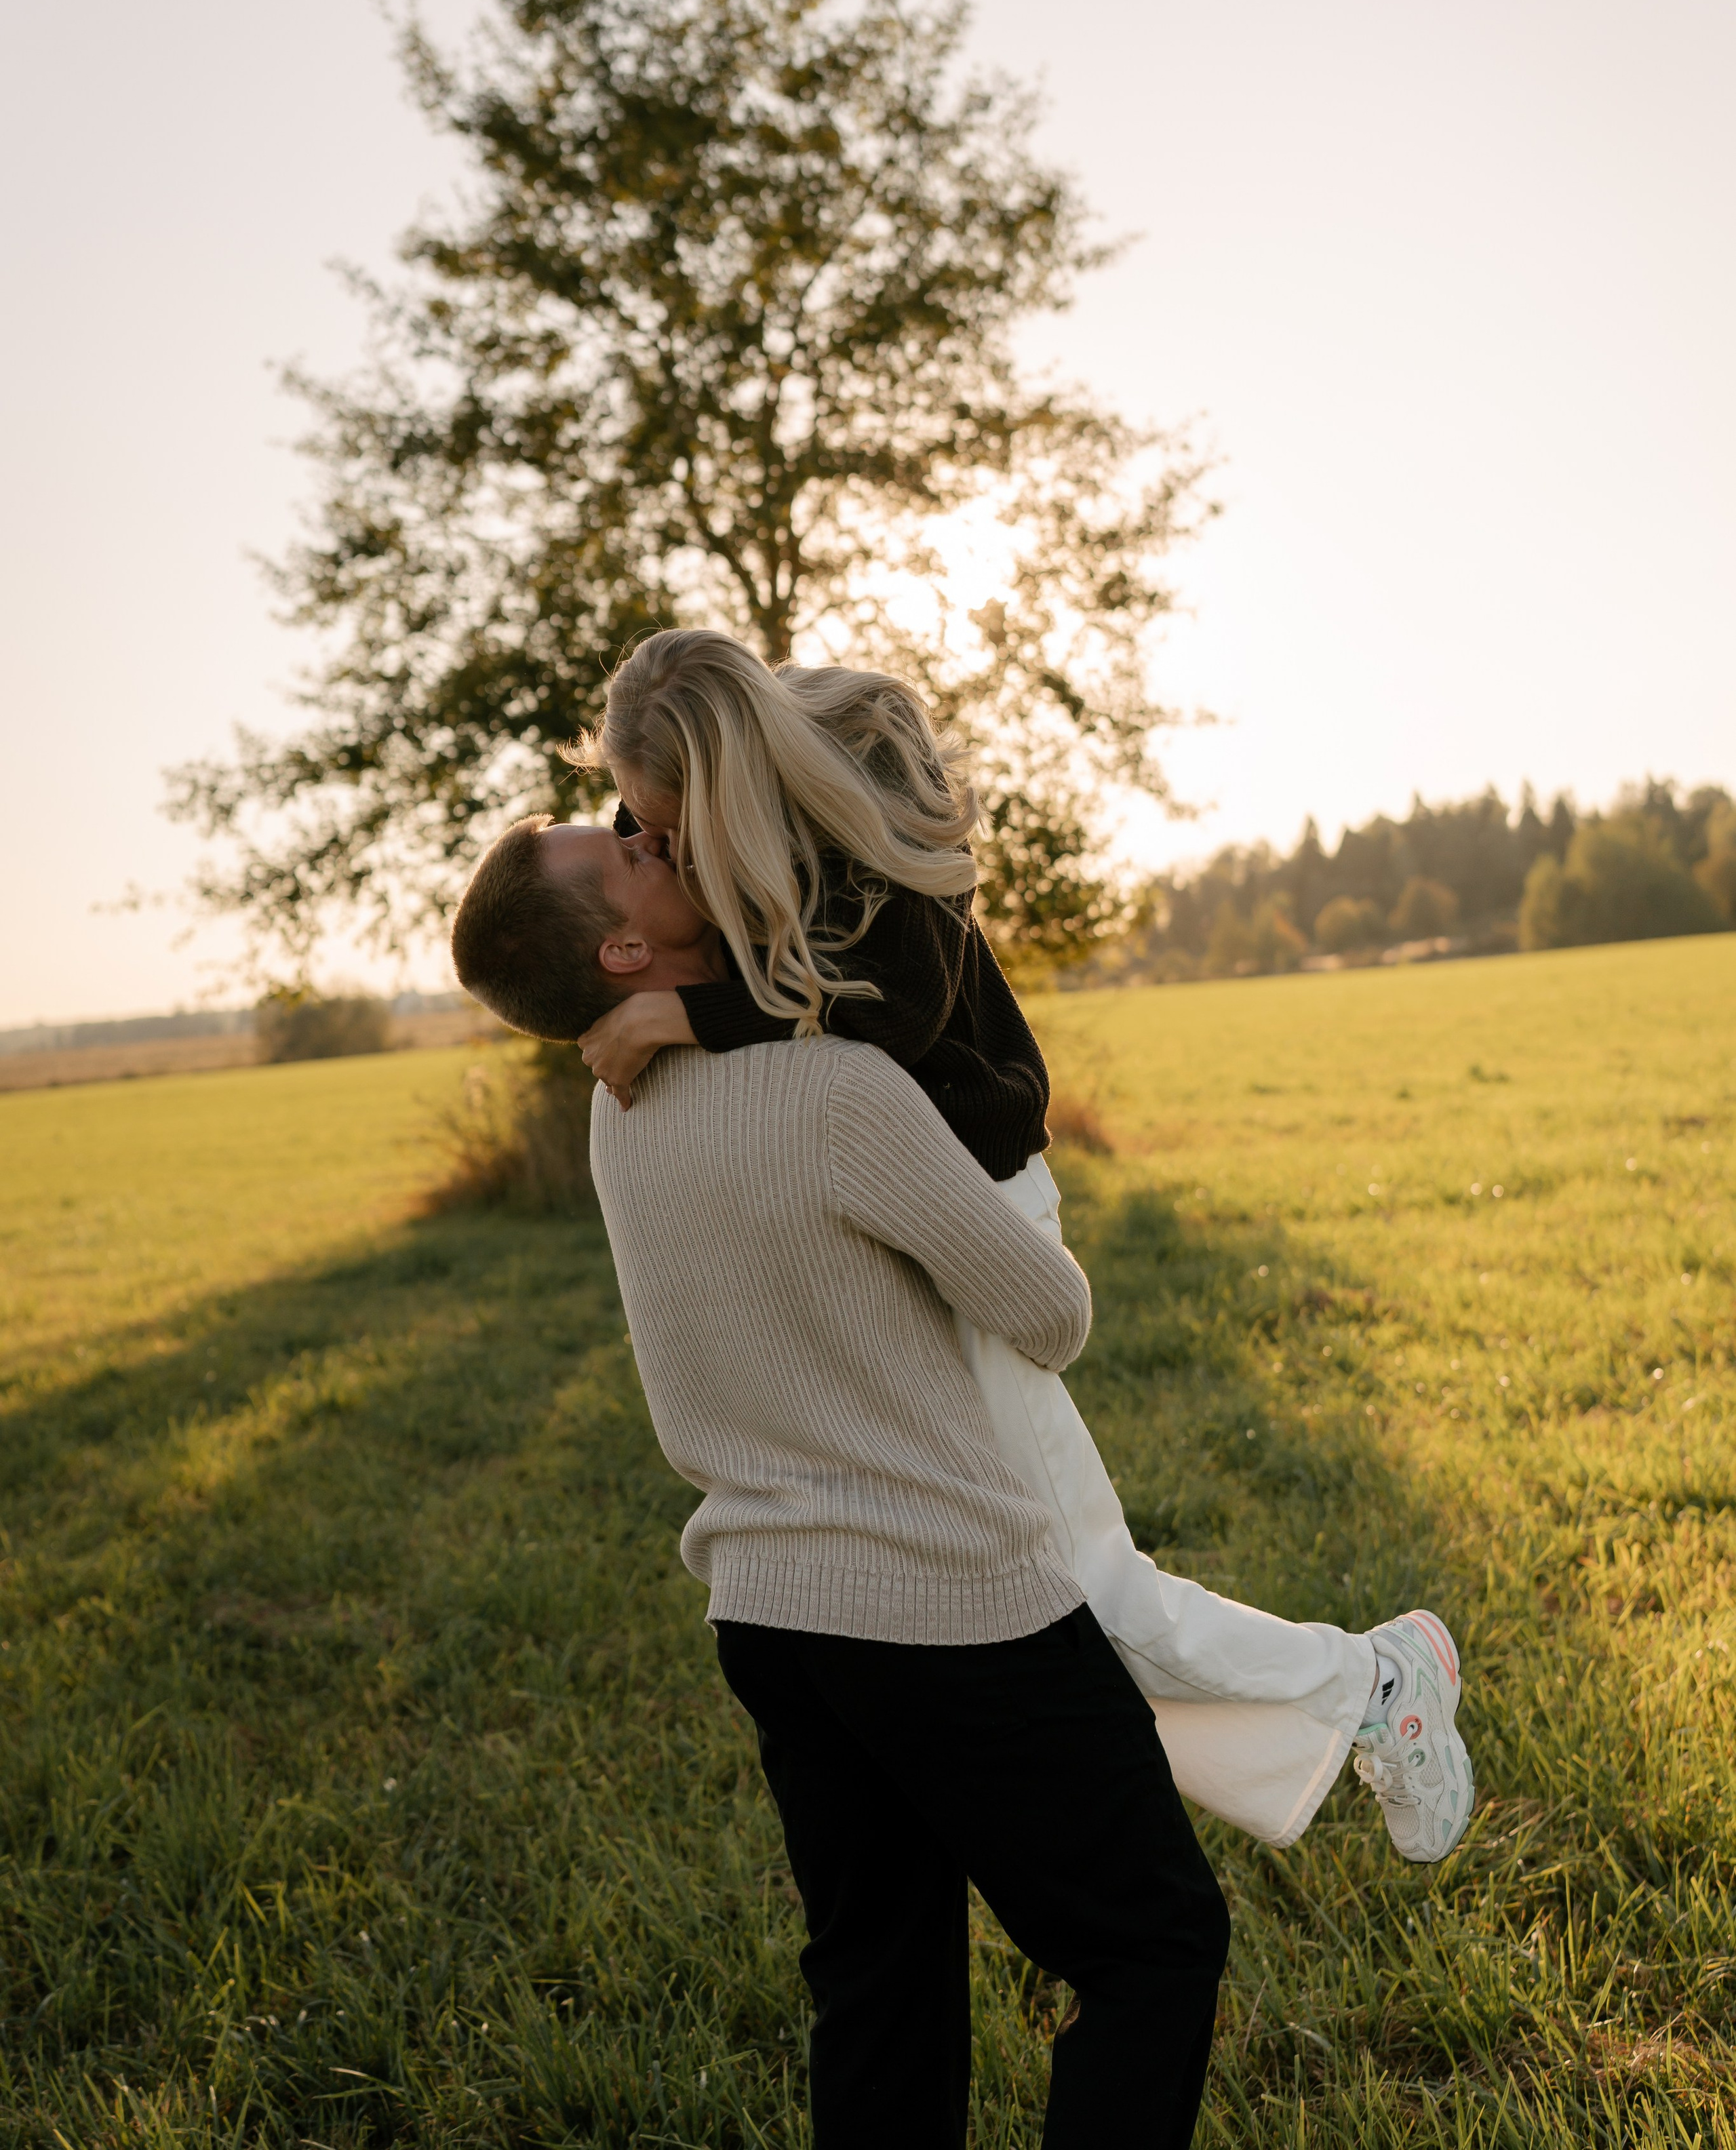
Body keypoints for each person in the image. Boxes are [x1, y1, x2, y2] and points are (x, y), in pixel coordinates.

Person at [451, 638, 1473, 1871]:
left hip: (979, 1202)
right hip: (884, 1207)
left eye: (653, 826)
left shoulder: (867, 839)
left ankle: (1376, 1677)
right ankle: (1353, 1704)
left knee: (1079, 1589)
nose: (649, 845)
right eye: (631, 826)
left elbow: (890, 1016)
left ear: (722, 785)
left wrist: (685, 1009)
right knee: (1056, 1592)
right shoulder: (699, 825)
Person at [462, 816, 1232, 2147]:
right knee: (1151, 1941)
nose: (665, 833)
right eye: (632, 847)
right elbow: (1046, 1315)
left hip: (767, 1618)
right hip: (942, 1599)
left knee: (879, 1994)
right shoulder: (836, 1086)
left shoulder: (617, 1106)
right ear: (626, 943)